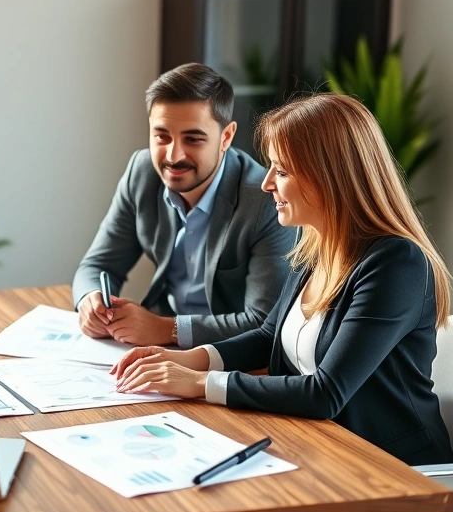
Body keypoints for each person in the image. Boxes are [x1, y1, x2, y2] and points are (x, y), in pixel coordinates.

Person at [112, 93, 453, 512]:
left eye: (283, 170)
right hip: (321, 451)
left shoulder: (396, 263)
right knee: (171, 501)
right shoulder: (316, 246)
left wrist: (199, 384)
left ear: (331, 177)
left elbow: (325, 393)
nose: (267, 183)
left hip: (387, 478)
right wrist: (190, 360)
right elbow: (269, 335)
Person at [72, 63, 295, 349]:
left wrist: (168, 329)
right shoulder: (142, 172)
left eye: (193, 139)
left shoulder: (264, 199)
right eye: (161, 136)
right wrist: (90, 301)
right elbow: (97, 265)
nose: (174, 156)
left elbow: (264, 322)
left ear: (225, 137)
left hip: (230, 360)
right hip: (159, 349)